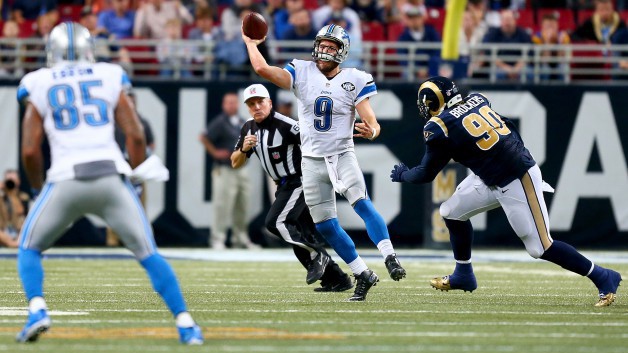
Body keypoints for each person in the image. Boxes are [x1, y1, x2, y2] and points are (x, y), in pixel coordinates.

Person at [15, 22, 203, 344]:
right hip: (111, 177)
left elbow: (30, 150)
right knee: (148, 253)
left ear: (51, 51)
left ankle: (38, 310)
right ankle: (186, 325)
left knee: (29, 248)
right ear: (90, 50)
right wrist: (138, 171)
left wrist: (36, 188)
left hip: (66, 179)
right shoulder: (109, 73)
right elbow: (135, 133)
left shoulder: (38, 81)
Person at [390, 76, 622, 307]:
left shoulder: (439, 127)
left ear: (432, 102)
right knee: (451, 211)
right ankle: (463, 274)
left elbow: (425, 174)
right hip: (491, 176)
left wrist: (402, 174)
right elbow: (499, 128)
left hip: (516, 178)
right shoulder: (477, 100)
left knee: (540, 247)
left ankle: (603, 276)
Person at [243, 23, 406, 302]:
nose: (324, 50)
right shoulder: (302, 70)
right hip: (311, 160)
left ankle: (390, 256)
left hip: (341, 154)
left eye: (331, 47)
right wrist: (251, 44)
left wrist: (373, 130)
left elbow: (372, 121)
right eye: (323, 44)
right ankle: (362, 274)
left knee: (361, 203)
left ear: (342, 52)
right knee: (325, 225)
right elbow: (263, 71)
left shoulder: (355, 78)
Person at [231, 84, 353, 291]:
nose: (256, 107)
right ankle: (337, 279)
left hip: (300, 181)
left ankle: (318, 255)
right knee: (302, 233)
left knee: (275, 222)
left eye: (260, 102)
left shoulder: (286, 125)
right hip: (282, 185)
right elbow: (235, 162)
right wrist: (244, 149)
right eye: (251, 104)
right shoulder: (248, 128)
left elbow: (317, 145)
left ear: (270, 103)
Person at [199, 92, 259, 250]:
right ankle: (217, 238)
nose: (231, 105)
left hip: (242, 168)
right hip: (225, 169)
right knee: (222, 205)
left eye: (234, 102)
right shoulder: (220, 122)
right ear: (223, 105)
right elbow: (204, 137)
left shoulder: (240, 121)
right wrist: (215, 152)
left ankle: (240, 238)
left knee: (243, 205)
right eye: (228, 103)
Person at [0, 170, 27, 248]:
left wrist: (12, 194)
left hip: (19, 232)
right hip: (3, 232)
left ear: (18, 182)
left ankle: (13, 243)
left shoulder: (23, 197)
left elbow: (20, 212)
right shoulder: (1, 198)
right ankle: (13, 244)